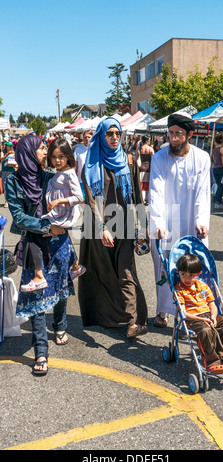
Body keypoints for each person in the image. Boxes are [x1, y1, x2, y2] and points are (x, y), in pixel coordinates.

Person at [6, 134, 77, 375]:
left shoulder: (50, 177)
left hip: (59, 244)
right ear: (27, 153)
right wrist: (47, 227)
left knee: (59, 289)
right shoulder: (13, 181)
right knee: (36, 298)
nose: (44, 152)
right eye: (40, 148)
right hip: (34, 244)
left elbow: (73, 200)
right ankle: (41, 352)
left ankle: (60, 325)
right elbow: (19, 217)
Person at [78, 117, 148, 338]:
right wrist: (101, 228)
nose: (114, 138)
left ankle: (132, 322)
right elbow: (90, 200)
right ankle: (104, 316)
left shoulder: (129, 161)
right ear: (101, 135)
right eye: (109, 134)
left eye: (117, 133)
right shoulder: (90, 164)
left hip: (125, 225)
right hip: (98, 227)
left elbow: (137, 196)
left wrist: (143, 227)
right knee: (103, 273)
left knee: (126, 272)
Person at [149, 111, 210, 327]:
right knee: (165, 266)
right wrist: (157, 224)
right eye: (171, 133)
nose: (173, 138)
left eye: (178, 134)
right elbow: (155, 192)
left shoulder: (202, 158)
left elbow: (203, 193)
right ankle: (163, 311)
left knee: (192, 267)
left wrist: (202, 220)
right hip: (167, 222)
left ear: (189, 134)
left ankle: (191, 313)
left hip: (192, 222)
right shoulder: (159, 158)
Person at [20, 138, 85, 293]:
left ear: (68, 156)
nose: (57, 160)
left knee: (33, 234)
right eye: (54, 157)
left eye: (61, 156)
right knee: (44, 231)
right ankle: (76, 265)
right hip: (57, 214)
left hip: (63, 215)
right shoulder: (58, 173)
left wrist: (58, 202)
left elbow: (79, 197)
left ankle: (38, 276)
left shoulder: (69, 174)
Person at [174, 254, 223, 373]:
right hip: (192, 318)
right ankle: (212, 362)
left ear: (198, 274)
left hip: (209, 314)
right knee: (206, 331)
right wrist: (200, 320)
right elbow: (183, 312)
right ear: (178, 272)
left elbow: (212, 304)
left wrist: (213, 316)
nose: (187, 279)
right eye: (183, 274)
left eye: (191, 275)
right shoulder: (179, 288)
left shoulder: (204, 286)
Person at [212, 134, 223, 209]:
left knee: (217, 185)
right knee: (220, 186)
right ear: (221, 141)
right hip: (221, 169)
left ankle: (217, 201)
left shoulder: (214, 150)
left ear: (215, 142)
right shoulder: (222, 149)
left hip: (214, 168)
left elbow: (214, 159)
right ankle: (218, 203)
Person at [1, 141, 17, 208]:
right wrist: (7, 154)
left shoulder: (14, 153)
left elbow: (17, 161)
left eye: (11, 146)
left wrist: (15, 165)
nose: (11, 147)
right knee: (5, 186)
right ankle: (6, 202)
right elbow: (1, 160)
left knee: (13, 186)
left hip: (12, 170)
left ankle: (13, 201)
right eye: (9, 146)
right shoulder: (3, 153)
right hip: (5, 171)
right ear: (6, 147)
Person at [138, 135, 154, 204]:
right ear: (147, 141)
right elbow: (153, 159)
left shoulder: (139, 148)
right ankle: (147, 199)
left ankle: (142, 199)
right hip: (148, 168)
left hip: (141, 168)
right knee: (147, 184)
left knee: (141, 184)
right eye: (149, 140)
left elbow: (136, 156)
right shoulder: (150, 149)